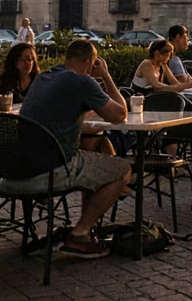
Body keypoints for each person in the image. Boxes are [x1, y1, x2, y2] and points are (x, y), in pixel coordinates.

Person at [19, 38, 131, 258]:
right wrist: (106, 76)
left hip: (18, 167)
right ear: (90, 62)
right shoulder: (81, 81)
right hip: (52, 168)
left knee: (93, 161)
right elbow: (120, 114)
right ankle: (80, 233)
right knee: (122, 170)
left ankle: (86, 231)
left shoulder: (43, 77)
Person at [164, 25, 192, 89]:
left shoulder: (172, 57)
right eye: (186, 36)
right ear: (178, 37)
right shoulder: (174, 60)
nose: (188, 39)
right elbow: (184, 82)